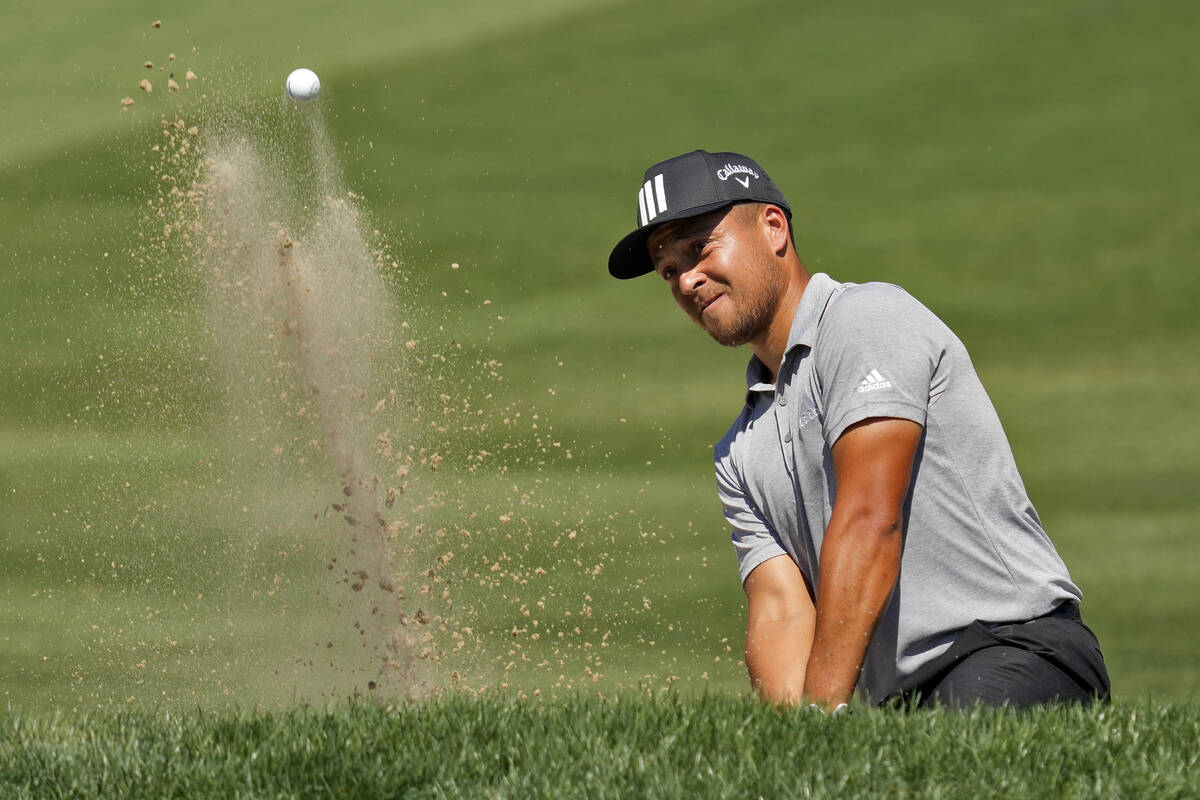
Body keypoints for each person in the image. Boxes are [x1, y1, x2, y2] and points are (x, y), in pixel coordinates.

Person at [607, 150, 1110, 710]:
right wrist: (800, 747)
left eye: (698, 247)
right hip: (895, 700)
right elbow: (780, 611)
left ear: (773, 227)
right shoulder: (738, 450)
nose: (687, 279)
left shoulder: (864, 320)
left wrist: (824, 715)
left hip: (1008, 648)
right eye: (668, 269)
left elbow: (871, 520)